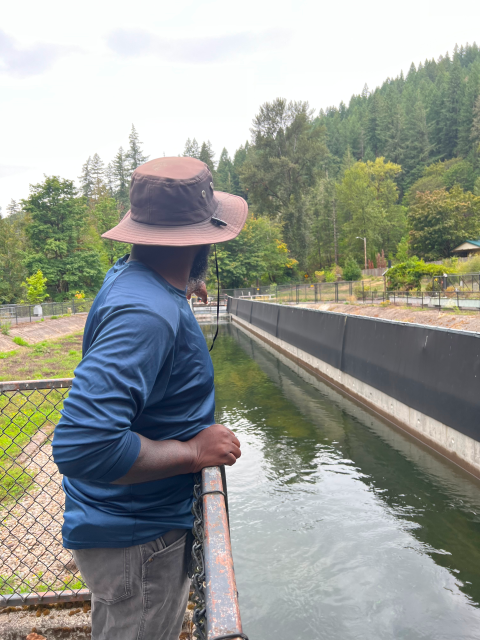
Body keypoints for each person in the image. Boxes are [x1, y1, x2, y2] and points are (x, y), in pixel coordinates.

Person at [52, 157, 248, 640]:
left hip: (125, 527)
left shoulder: (137, 278)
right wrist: (193, 453)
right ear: (202, 238)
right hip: (138, 542)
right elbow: (83, 445)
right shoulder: (146, 312)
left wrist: (183, 290)